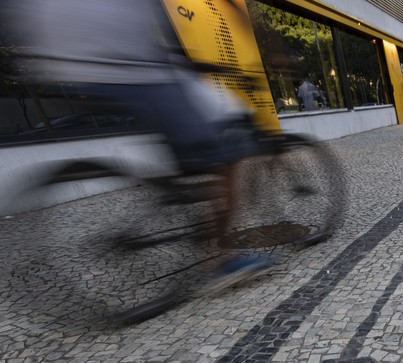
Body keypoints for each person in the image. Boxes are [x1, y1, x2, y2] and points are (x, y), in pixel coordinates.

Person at [2, 0, 274, 289]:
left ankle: (177, 188)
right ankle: (222, 262)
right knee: (227, 159)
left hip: (70, 68)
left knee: (189, 152)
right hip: (133, 70)